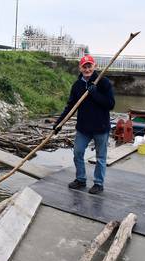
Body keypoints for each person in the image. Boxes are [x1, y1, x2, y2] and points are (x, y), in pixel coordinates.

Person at [53, 55, 115, 194]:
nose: (87, 69)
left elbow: (110, 104)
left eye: (89, 66)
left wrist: (95, 94)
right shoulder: (77, 86)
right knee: (78, 152)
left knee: (100, 157)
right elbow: (70, 107)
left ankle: (98, 184)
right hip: (84, 128)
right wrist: (59, 123)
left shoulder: (103, 82)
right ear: (80, 68)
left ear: (94, 66)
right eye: (84, 67)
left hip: (101, 128)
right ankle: (81, 180)